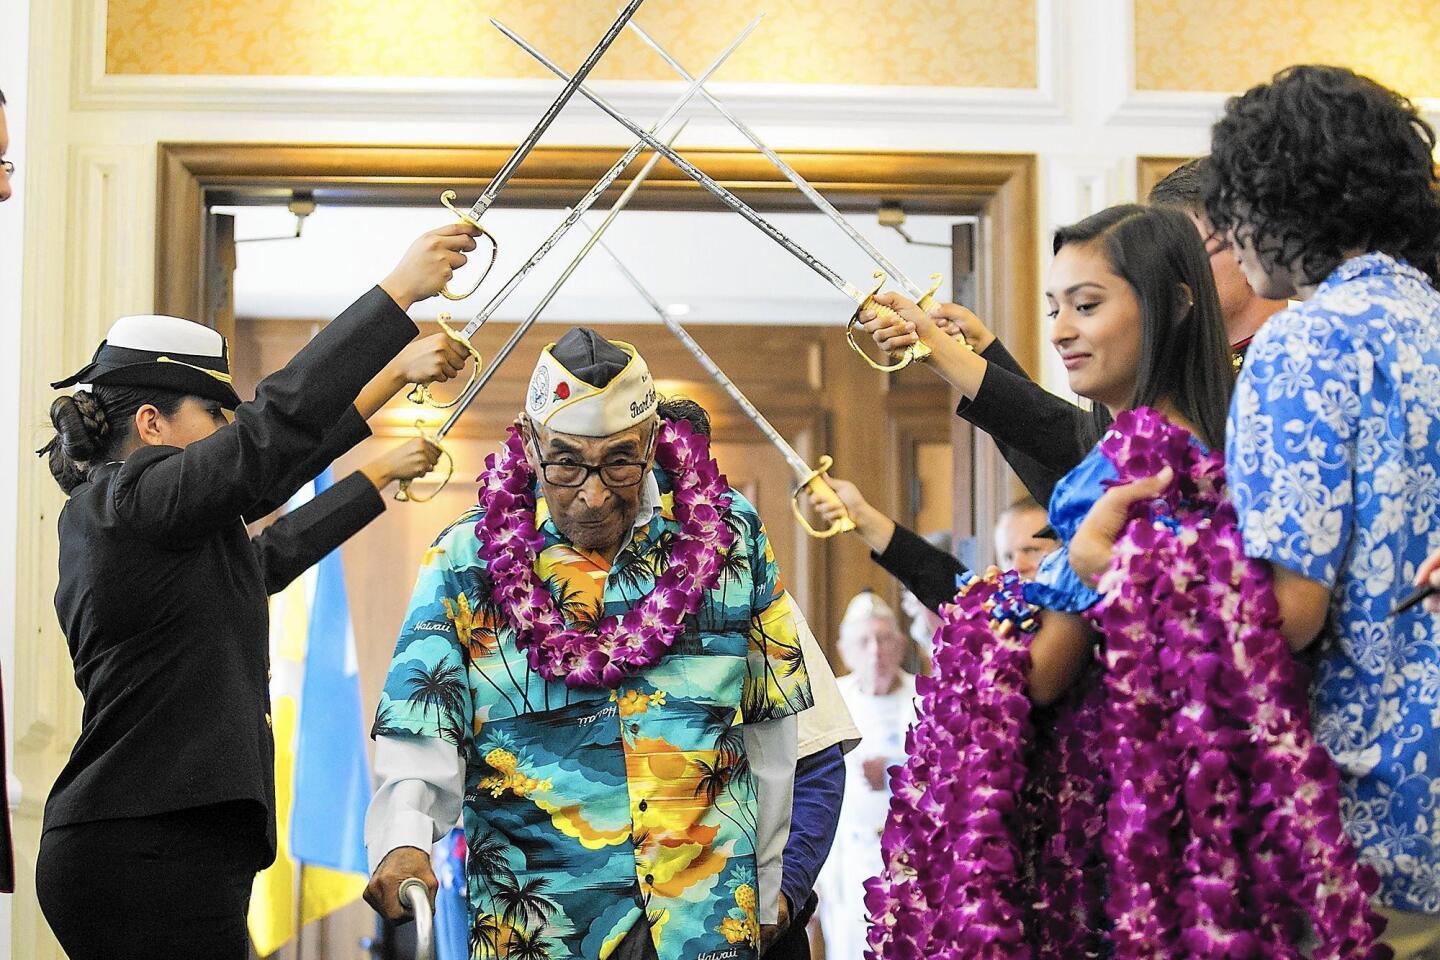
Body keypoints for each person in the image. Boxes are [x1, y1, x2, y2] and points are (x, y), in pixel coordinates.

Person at [33, 221, 480, 960]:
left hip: (162, 843)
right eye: (213, 414)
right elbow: (266, 439)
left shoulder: (152, 524)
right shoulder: (128, 505)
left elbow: (268, 549)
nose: (226, 430)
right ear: (151, 423)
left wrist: (378, 453)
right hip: (145, 848)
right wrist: (399, 290)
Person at [364, 329, 815, 960]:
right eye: (567, 461)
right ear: (528, 443)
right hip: (541, 926)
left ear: (655, 441)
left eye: (620, 462)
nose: (594, 494)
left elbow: (771, 727)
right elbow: (424, 729)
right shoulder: (465, 560)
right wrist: (404, 838)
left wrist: (768, 889)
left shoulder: (729, 537)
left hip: (703, 917)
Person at [814, 592, 915, 960]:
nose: (876, 651)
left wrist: (892, 772)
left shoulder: (924, 697)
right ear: (844, 651)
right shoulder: (830, 702)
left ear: (901, 644)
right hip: (847, 861)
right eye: (864, 641)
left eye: (885, 639)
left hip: (912, 861)